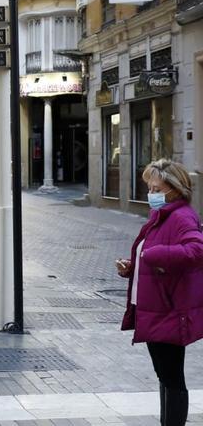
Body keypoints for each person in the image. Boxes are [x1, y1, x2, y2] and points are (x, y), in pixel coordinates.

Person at [116, 159, 203, 426]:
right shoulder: (160, 215)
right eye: (150, 188)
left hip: (169, 310)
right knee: (165, 375)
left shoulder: (181, 216)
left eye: (157, 189)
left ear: (175, 190)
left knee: (172, 377)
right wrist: (133, 268)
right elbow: (154, 259)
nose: (151, 194)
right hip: (156, 308)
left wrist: (155, 255)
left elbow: (196, 250)